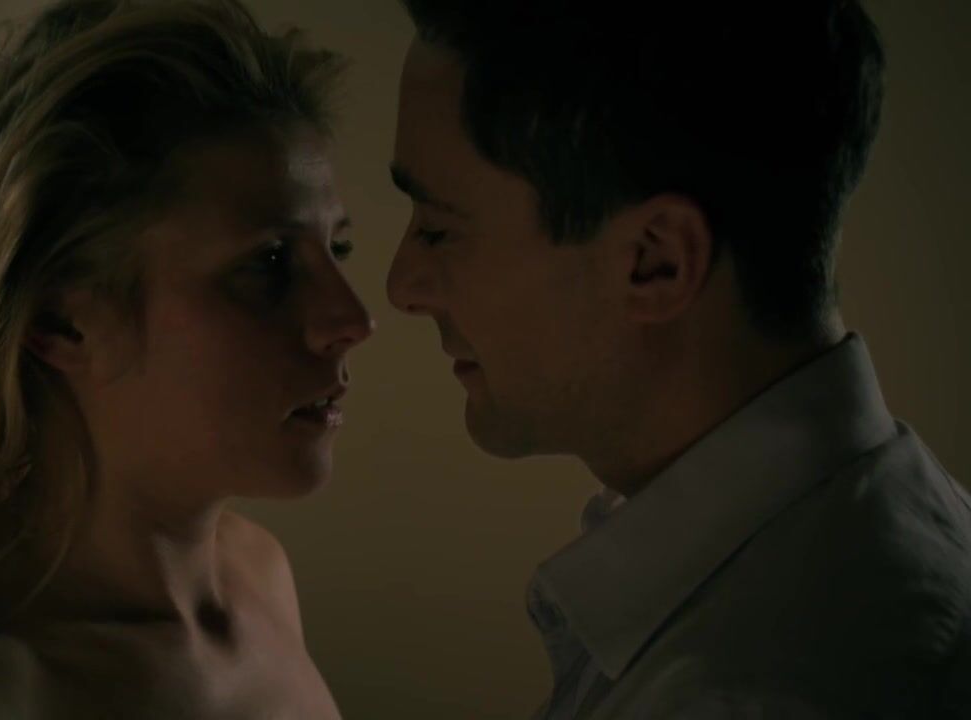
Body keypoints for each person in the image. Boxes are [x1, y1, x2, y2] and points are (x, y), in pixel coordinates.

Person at [386, 1, 971, 717]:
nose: (400, 287)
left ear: (655, 262)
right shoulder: (879, 539)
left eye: (437, 230)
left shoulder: (755, 693)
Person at [0, 1, 372, 717]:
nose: (352, 319)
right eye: (269, 262)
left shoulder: (260, 579)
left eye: (338, 248)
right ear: (61, 321)